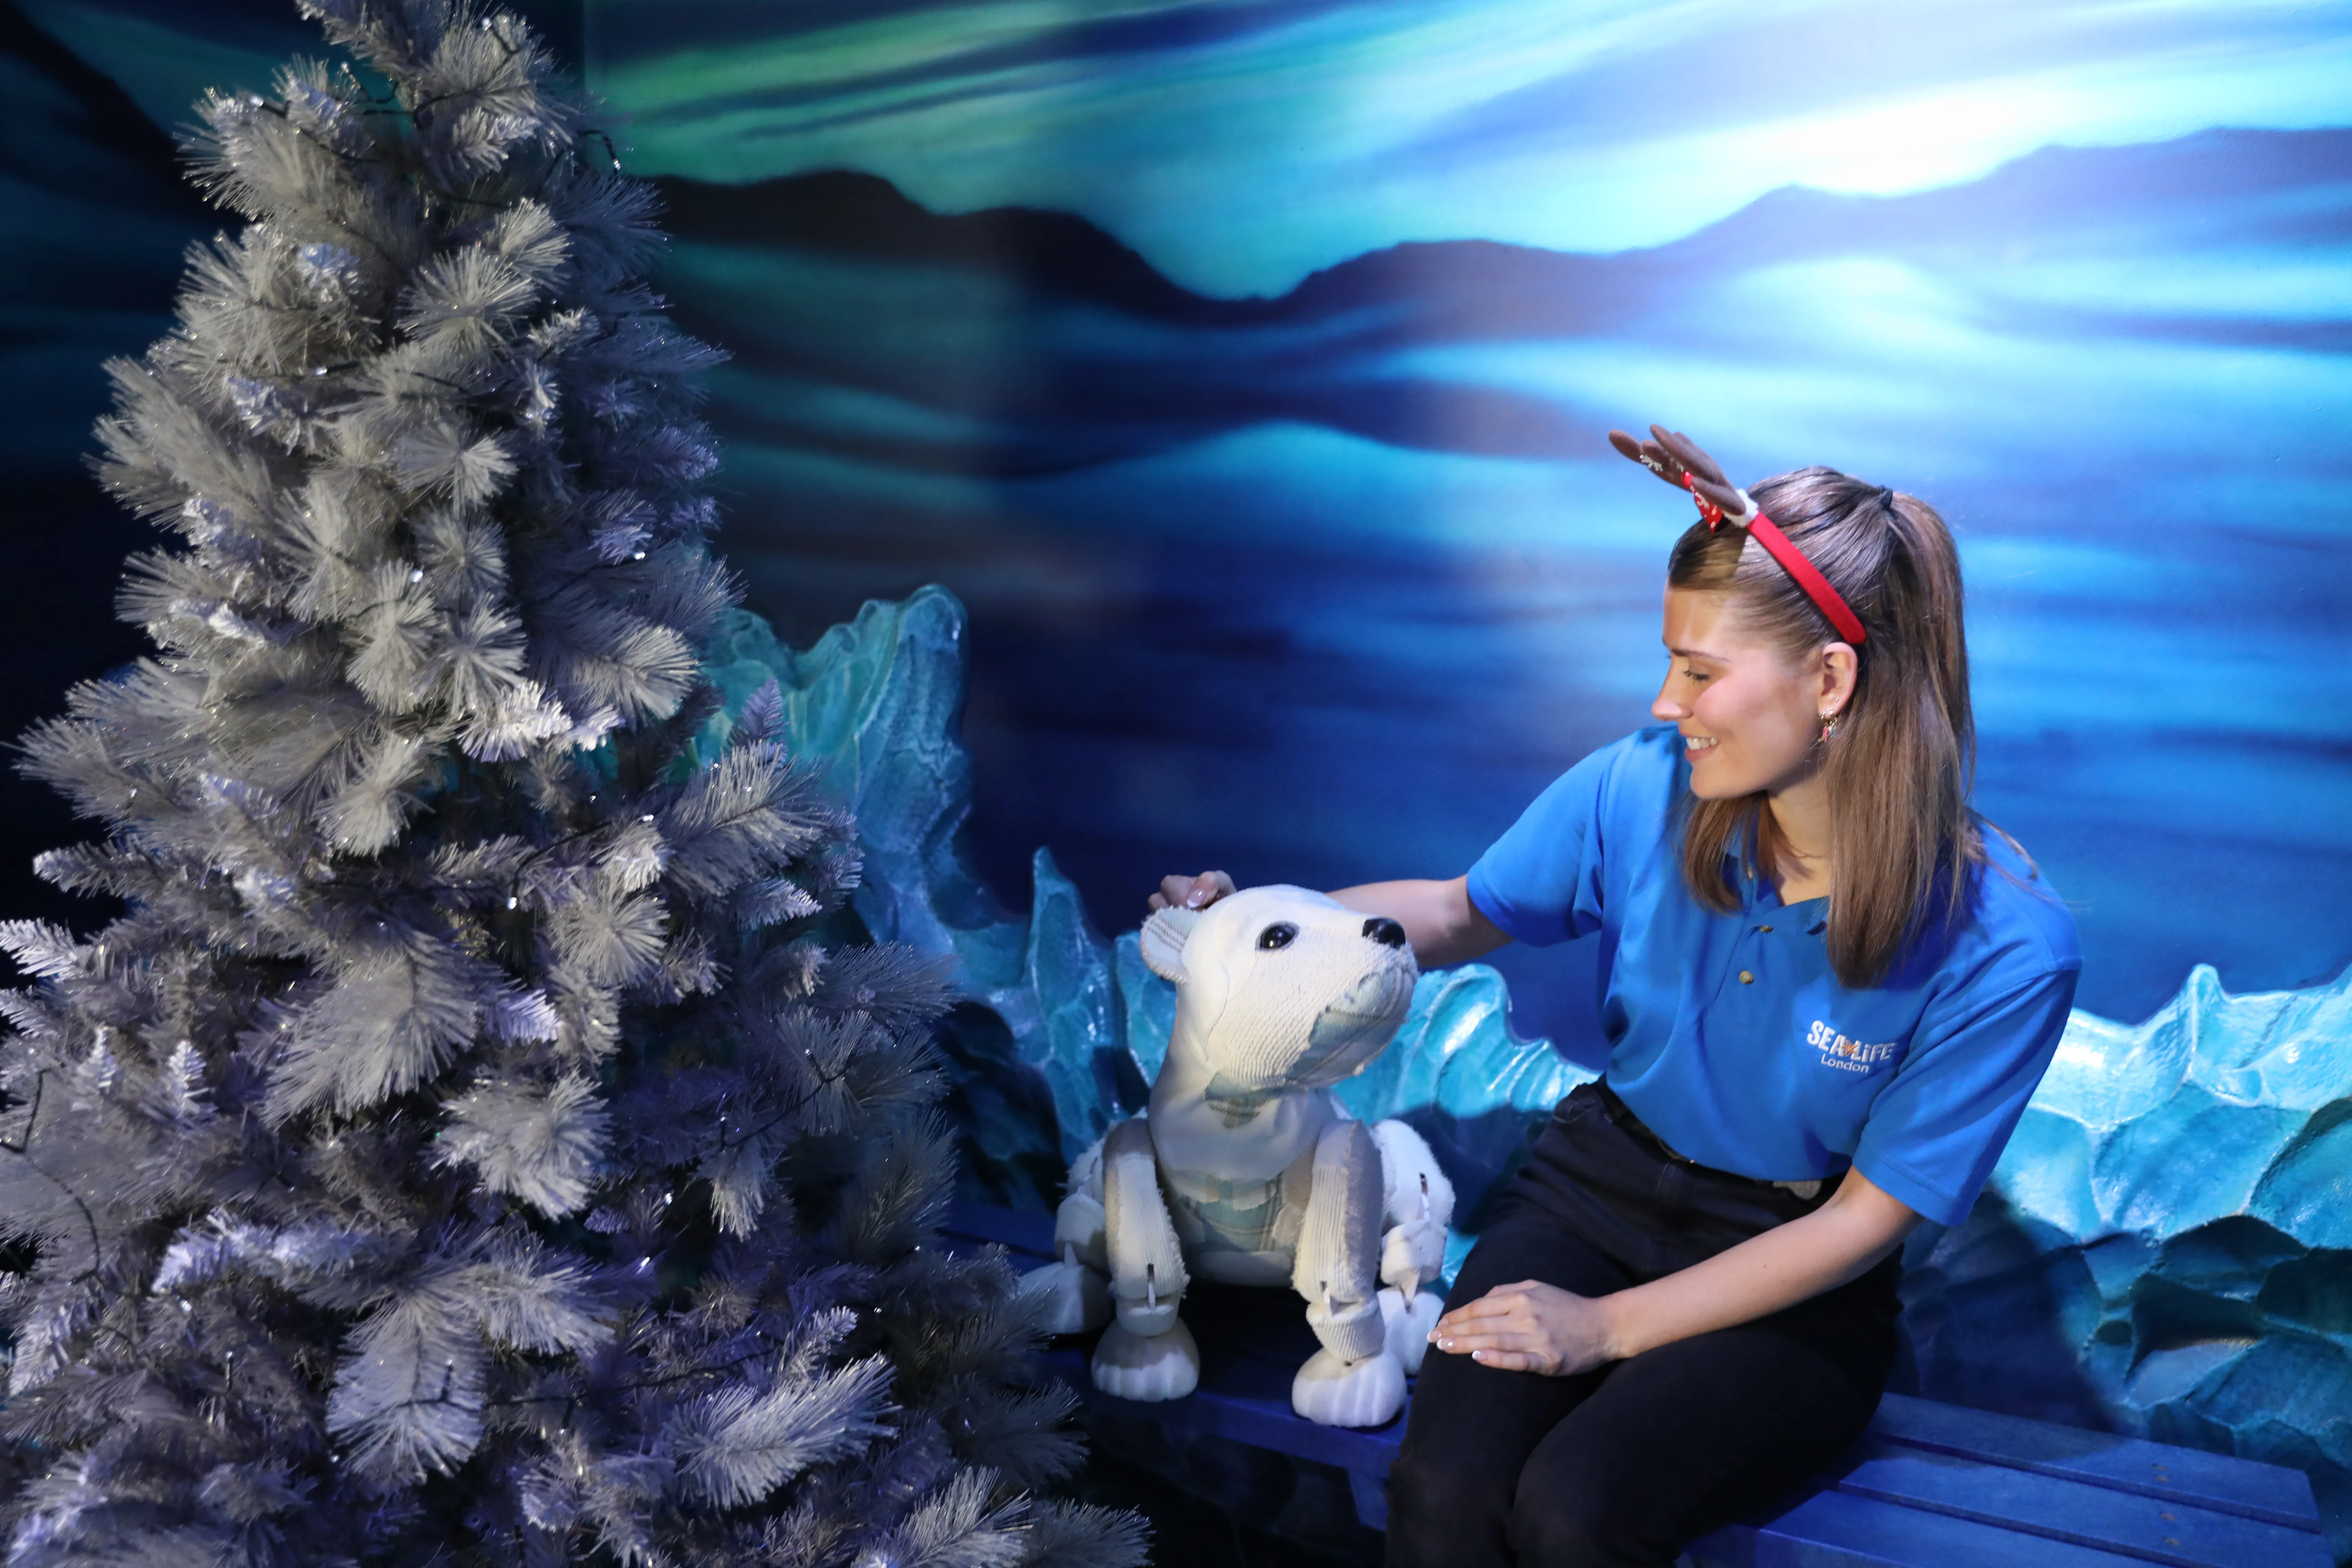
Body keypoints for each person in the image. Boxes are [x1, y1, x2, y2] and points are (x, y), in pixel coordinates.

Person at [1149, 426, 2080, 1567]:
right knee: (1442, 1486)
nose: (1664, 700)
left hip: (1790, 1266)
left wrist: (1605, 1330)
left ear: (1830, 680)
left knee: (1580, 1510)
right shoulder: (1640, 787)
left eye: (1699, 670)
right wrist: (1261, 924)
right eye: (1669, 659)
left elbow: (1859, 1225)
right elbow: (1448, 912)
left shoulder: (2010, 945)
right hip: (1593, 1189)